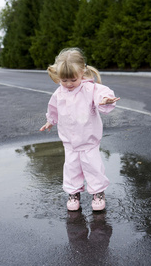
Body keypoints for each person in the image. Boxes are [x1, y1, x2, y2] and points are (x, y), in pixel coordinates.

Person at [40, 48, 120, 211]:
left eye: (73, 80)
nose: (68, 84)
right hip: (69, 141)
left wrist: (105, 100)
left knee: (93, 167)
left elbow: (101, 95)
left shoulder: (90, 89)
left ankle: (98, 193)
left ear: (82, 73)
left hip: (89, 139)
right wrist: (50, 120)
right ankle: (73, 193)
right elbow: (53, 107)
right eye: (64, 80)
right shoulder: (59, 92)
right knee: (71, 167)